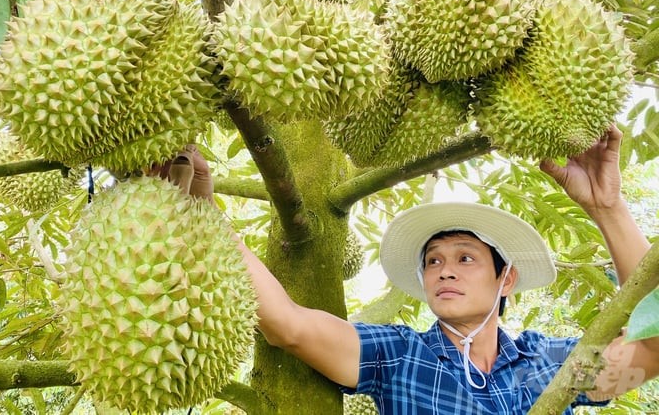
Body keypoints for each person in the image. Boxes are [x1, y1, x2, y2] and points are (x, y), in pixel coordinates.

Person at [160, 125, 659, 413]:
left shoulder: (548, 362)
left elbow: (655, 344)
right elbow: (288, 326)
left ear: (506, 278)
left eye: (466, 258)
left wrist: (608, 206)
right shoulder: (400, 355)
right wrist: (204, 214)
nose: (445, 271)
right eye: (433, 262)